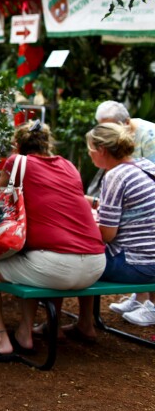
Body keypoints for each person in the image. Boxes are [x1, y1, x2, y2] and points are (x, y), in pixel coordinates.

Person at [0, 121, 105, 361]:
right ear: (47, 144)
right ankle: (24, 333)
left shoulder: (16, 162)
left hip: (57, 266)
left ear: (17, 145)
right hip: (95, 265)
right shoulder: (69, 166)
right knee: (30, 257)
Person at [75, 123, 155, 329]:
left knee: (72, 261)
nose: (90, 154)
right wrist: (91, 202)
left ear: (101, 150)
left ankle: (80, 324)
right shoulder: (145, 165)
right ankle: (86, 323)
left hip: (137, 265)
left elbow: (107, 235)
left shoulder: (115, 176)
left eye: (90, 149)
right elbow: (131, 209)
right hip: (150, 260)